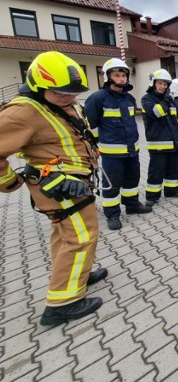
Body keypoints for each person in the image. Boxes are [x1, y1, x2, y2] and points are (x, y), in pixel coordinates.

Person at [0, 51, 106, 326]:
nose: (69, 97)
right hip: (61, 187)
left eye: (73, 92)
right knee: (81, 238)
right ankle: (63, 303)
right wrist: (9, 182)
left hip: (72, 183)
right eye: (62, 93)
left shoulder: (58, 102)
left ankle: (77, 274)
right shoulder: (23, 112)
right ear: (38, 84)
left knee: (64, 235)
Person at [84, 58, 152, 231]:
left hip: (132, 151)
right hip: (111, 154)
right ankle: (112, 214)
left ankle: (131, 205)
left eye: (124, 75)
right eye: (117, 75)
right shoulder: (97, 98)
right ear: (108, 77)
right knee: (112, 184)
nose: (122, 79)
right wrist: (94, 146)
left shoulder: (129, 98)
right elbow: (90, 126)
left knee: (131, 180)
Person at [141, 69, 178, 204]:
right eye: (160, 83)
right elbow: (157, 113)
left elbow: (177, 119)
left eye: (165, 84)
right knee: (157, 171)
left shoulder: (170, 101)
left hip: (173, 142)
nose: (163, 87)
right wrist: (166, 101)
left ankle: (171, 190)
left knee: (174, 169)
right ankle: (152, 196)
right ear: (154, 83)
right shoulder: (147, 99)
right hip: (158, 144)